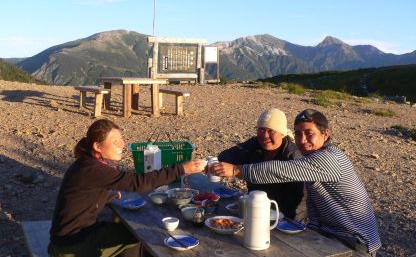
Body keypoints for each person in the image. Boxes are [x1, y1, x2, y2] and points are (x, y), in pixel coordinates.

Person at [212, 109, 381, 256]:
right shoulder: (313, 157)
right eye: (298, 133)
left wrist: (236, 170)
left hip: (354, 240)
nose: (302, 139)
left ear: (325, 134)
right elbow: (314, 205)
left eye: (309, 133)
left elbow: (281, 170)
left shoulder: (330, 158)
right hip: (326, 233)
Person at [49, 119, 206, 257]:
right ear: (98, 146)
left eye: (121, 139)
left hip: (69, 238)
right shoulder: (93, 168)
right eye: (115, 141)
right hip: (71, 246)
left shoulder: (88, 163)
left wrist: (107, 195)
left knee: (125, 230)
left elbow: (83, 195)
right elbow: (137, 182)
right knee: (138, 235)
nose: (122, 144)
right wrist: (182, 169)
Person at [218, 108, 304, 219]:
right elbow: (225, 157)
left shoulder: (293, 156)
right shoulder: (254, 144)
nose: (265, 135)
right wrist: (216, 166)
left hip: (285, 218)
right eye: (261, 129)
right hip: (254, 209)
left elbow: (297, 202)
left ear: (282, 134)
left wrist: (237, 170)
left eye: (271, 131)